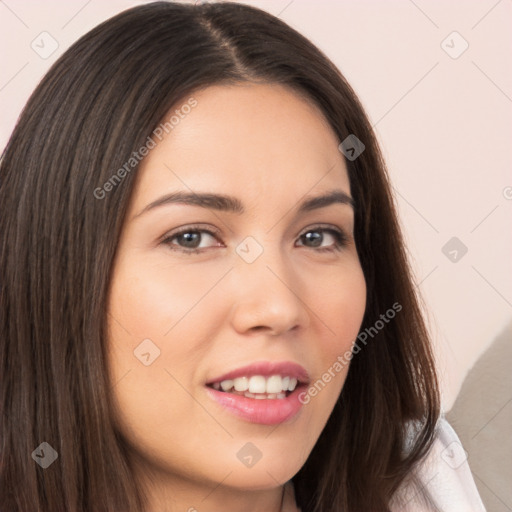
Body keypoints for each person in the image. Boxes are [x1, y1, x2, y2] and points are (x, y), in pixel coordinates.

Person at [0, 2, 486, 511]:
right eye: (192, 238)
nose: (279, 308)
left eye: (318, 236)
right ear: (55, 276)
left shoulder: (428, 490)